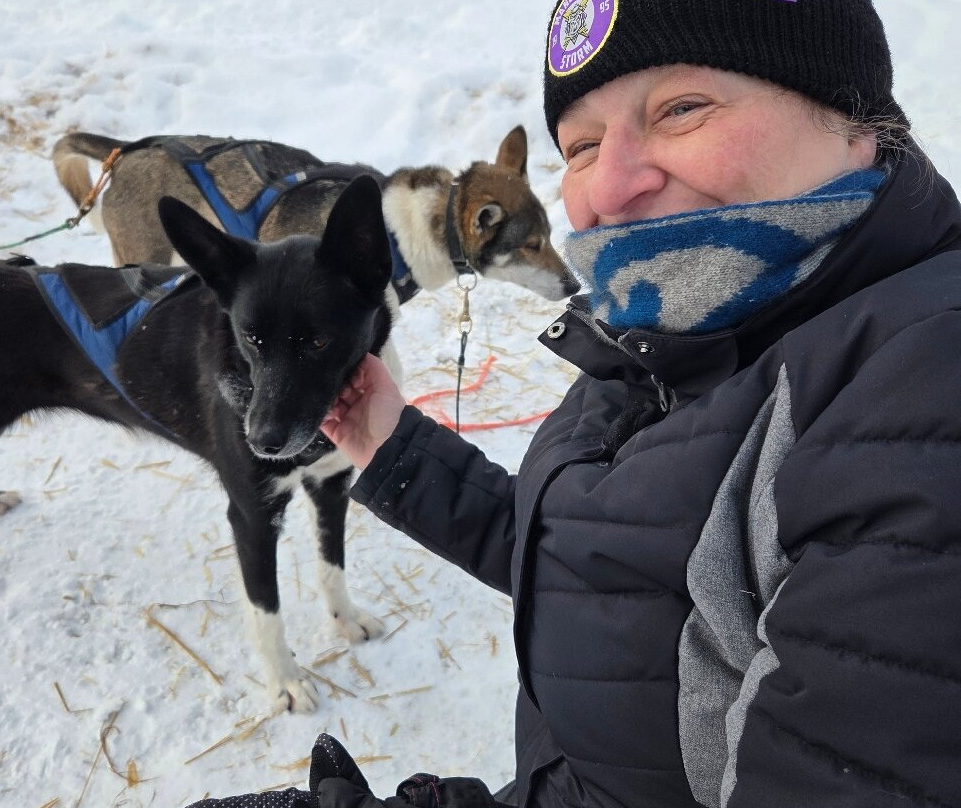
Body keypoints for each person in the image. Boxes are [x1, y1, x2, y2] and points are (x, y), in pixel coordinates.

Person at [190, 1, 961, 806]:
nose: (611, 189)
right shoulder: (682, 326)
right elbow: (606, 560)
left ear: (855, 120)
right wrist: (394, 446)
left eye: (681, 108)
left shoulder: (918, 403)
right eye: (583, 146)